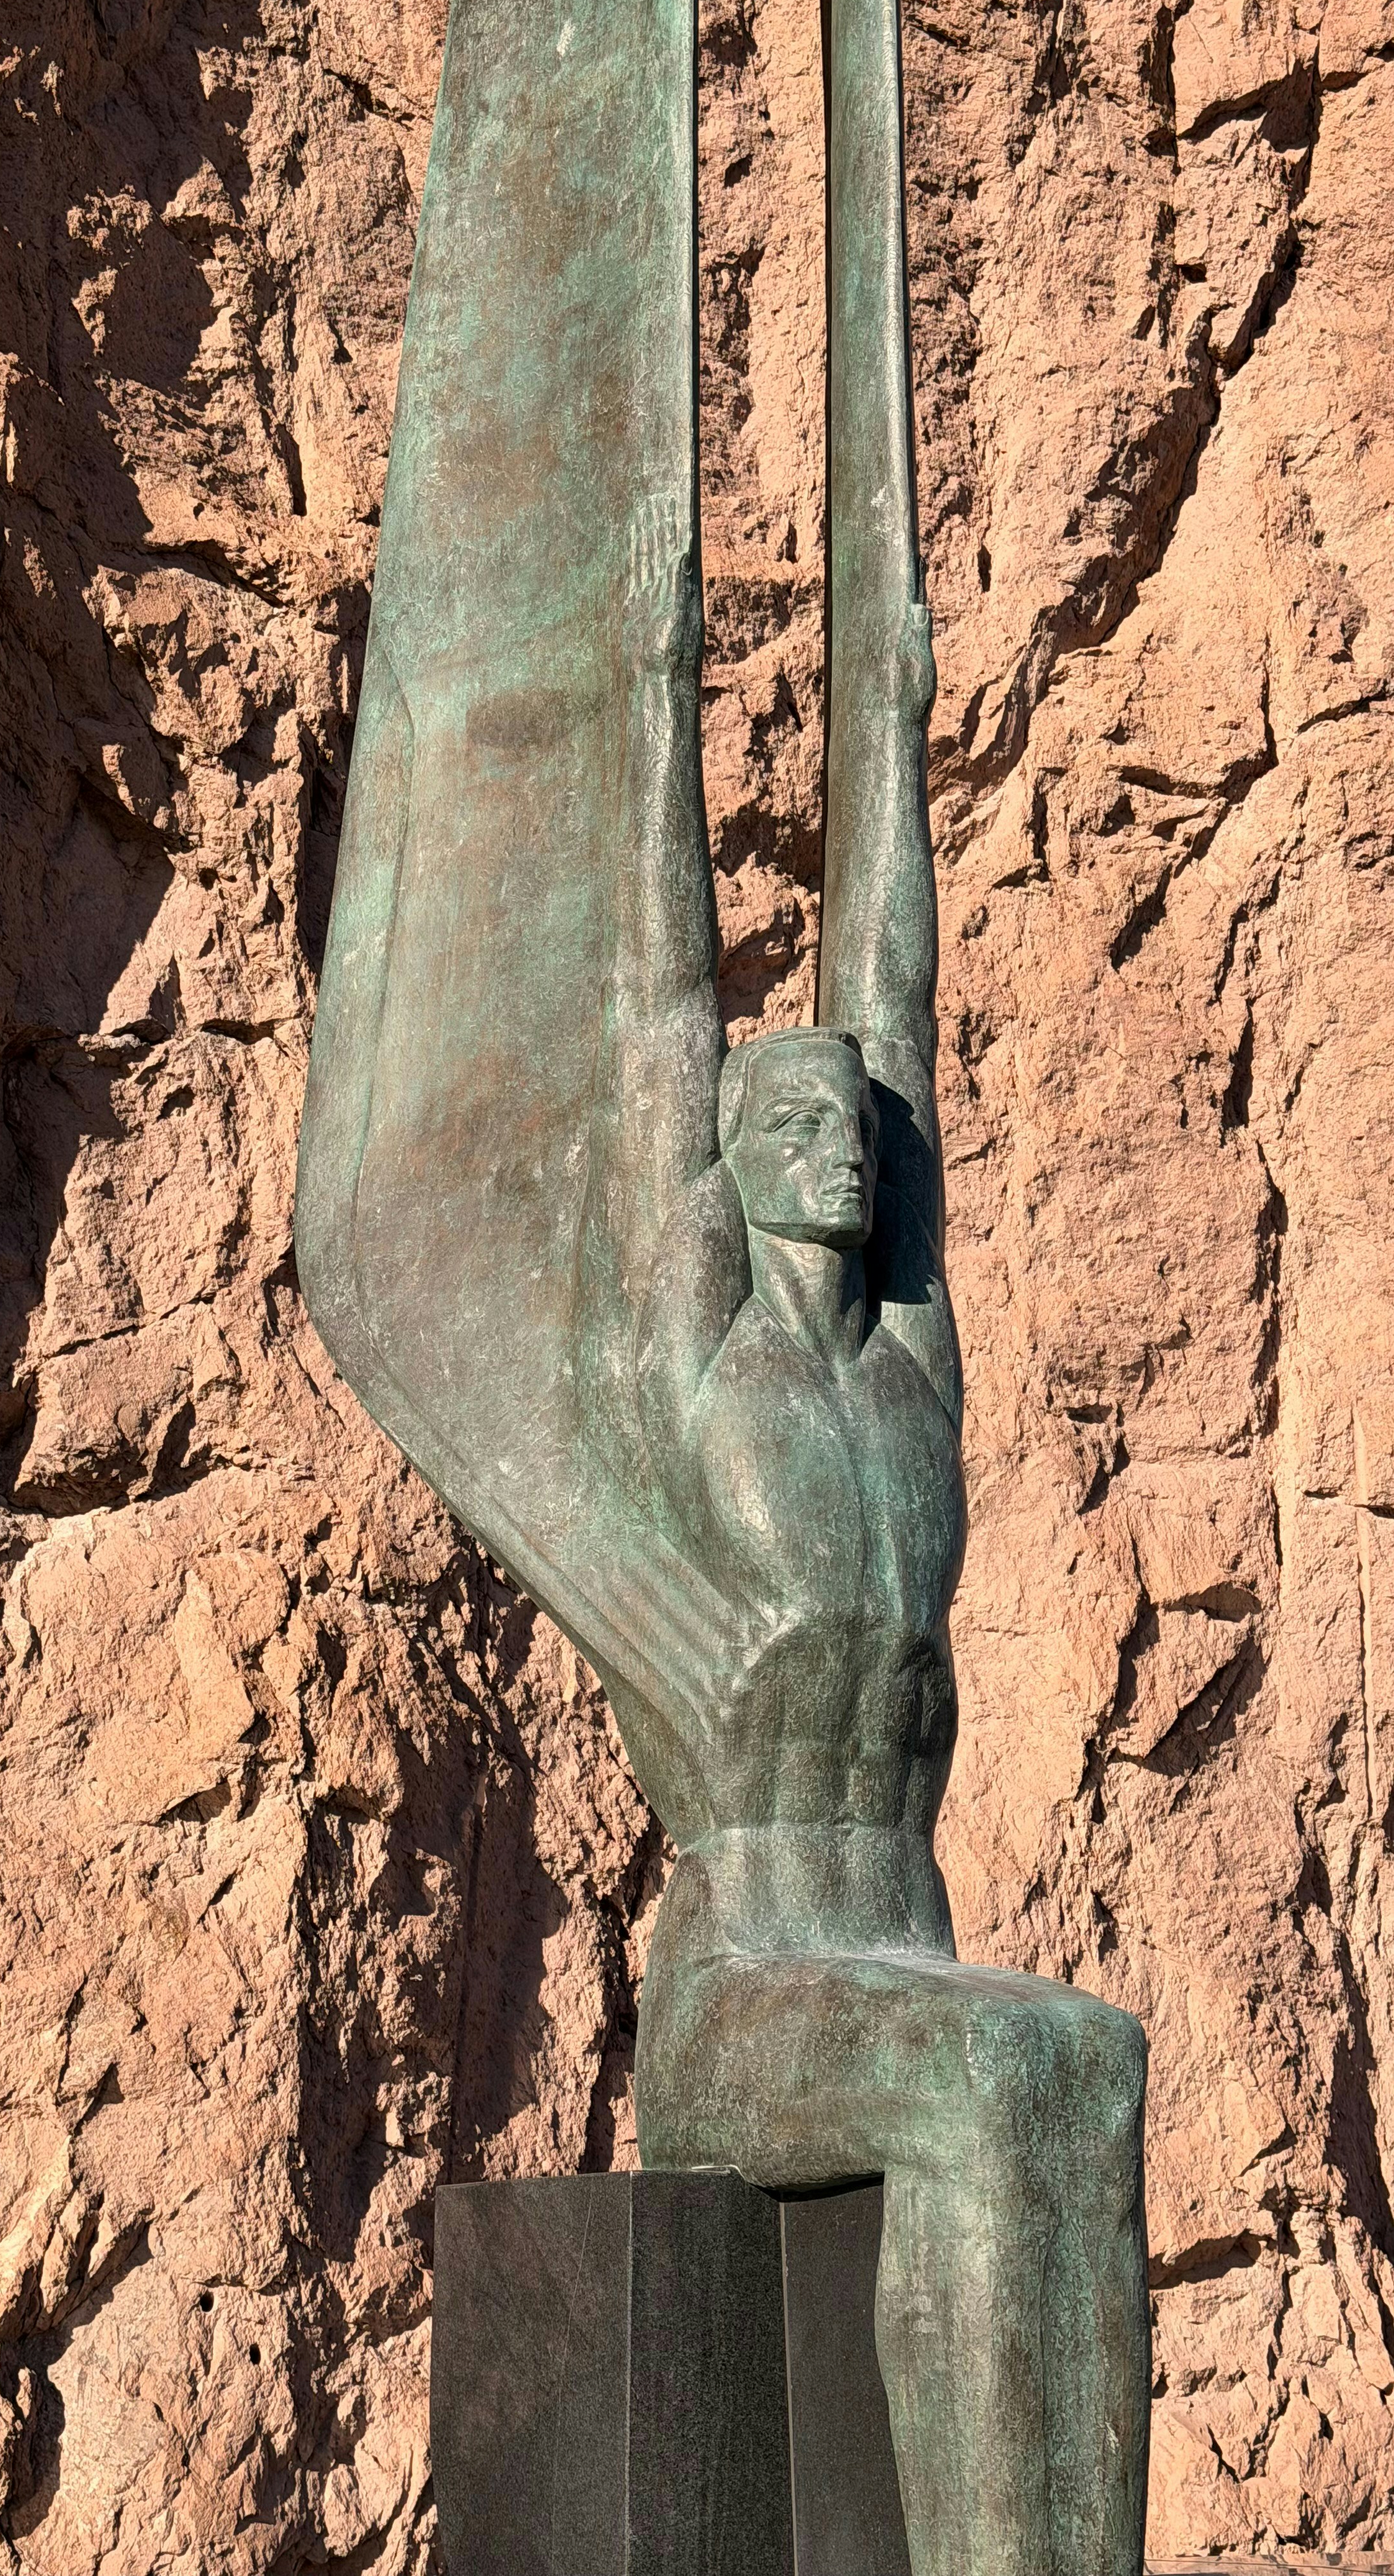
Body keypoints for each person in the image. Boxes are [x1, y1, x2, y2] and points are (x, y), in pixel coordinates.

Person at [572, 478, 1150, 2576]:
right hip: (745, 1986)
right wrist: (648, 675)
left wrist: (883, 695)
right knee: (1011, 2074)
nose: (819, 1124)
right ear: (717, 1170)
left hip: (889, 1935)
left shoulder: (908, 1376)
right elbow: (653, 1004)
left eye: (837, 1112)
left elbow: (885, 986)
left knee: (1075, 2063)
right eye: (772, 1111)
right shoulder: (694, 1365)